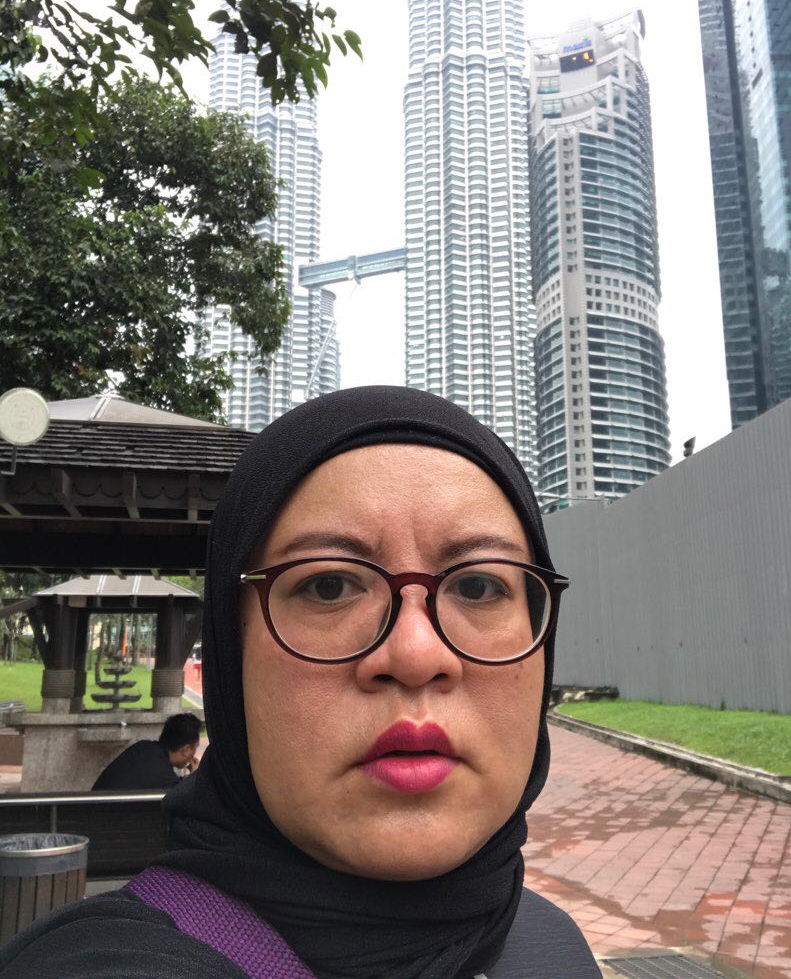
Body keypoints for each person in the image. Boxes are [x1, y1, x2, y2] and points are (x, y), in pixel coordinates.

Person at [0, 387, 599, 978]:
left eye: (478, 586)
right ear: (232, 651)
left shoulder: (553, 945)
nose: (416, 656)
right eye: (328, 585)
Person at [91, 713, 202, 791]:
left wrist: (187, 780)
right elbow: (182, 799)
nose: (194, 753)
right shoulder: (163, 775)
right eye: (195, 748)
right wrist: (194, 779)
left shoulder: (142, 747)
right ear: (186, 750)